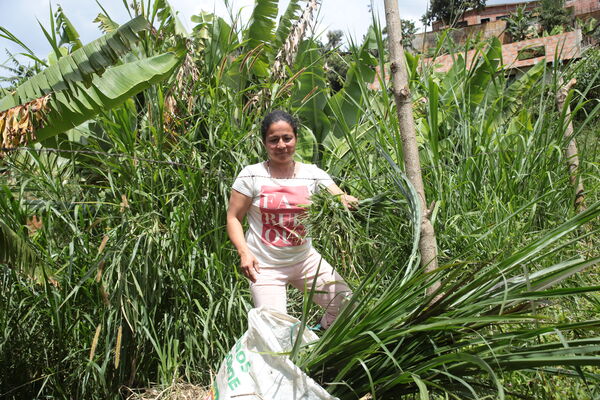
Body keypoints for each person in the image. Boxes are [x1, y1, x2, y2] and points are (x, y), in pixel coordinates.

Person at [226, 110, 357, 329]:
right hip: (264, 266)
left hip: (305, 260)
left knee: (347, 304)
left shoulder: (311, 173)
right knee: (275, 330)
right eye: (273, 140)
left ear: (295, 138)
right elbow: (233, 218)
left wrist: (347, 200)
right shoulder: (251, 174)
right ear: (264, 143)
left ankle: (318, 338)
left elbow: (338, 195)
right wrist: (244, 253)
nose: (281, 145)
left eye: (287, 138)